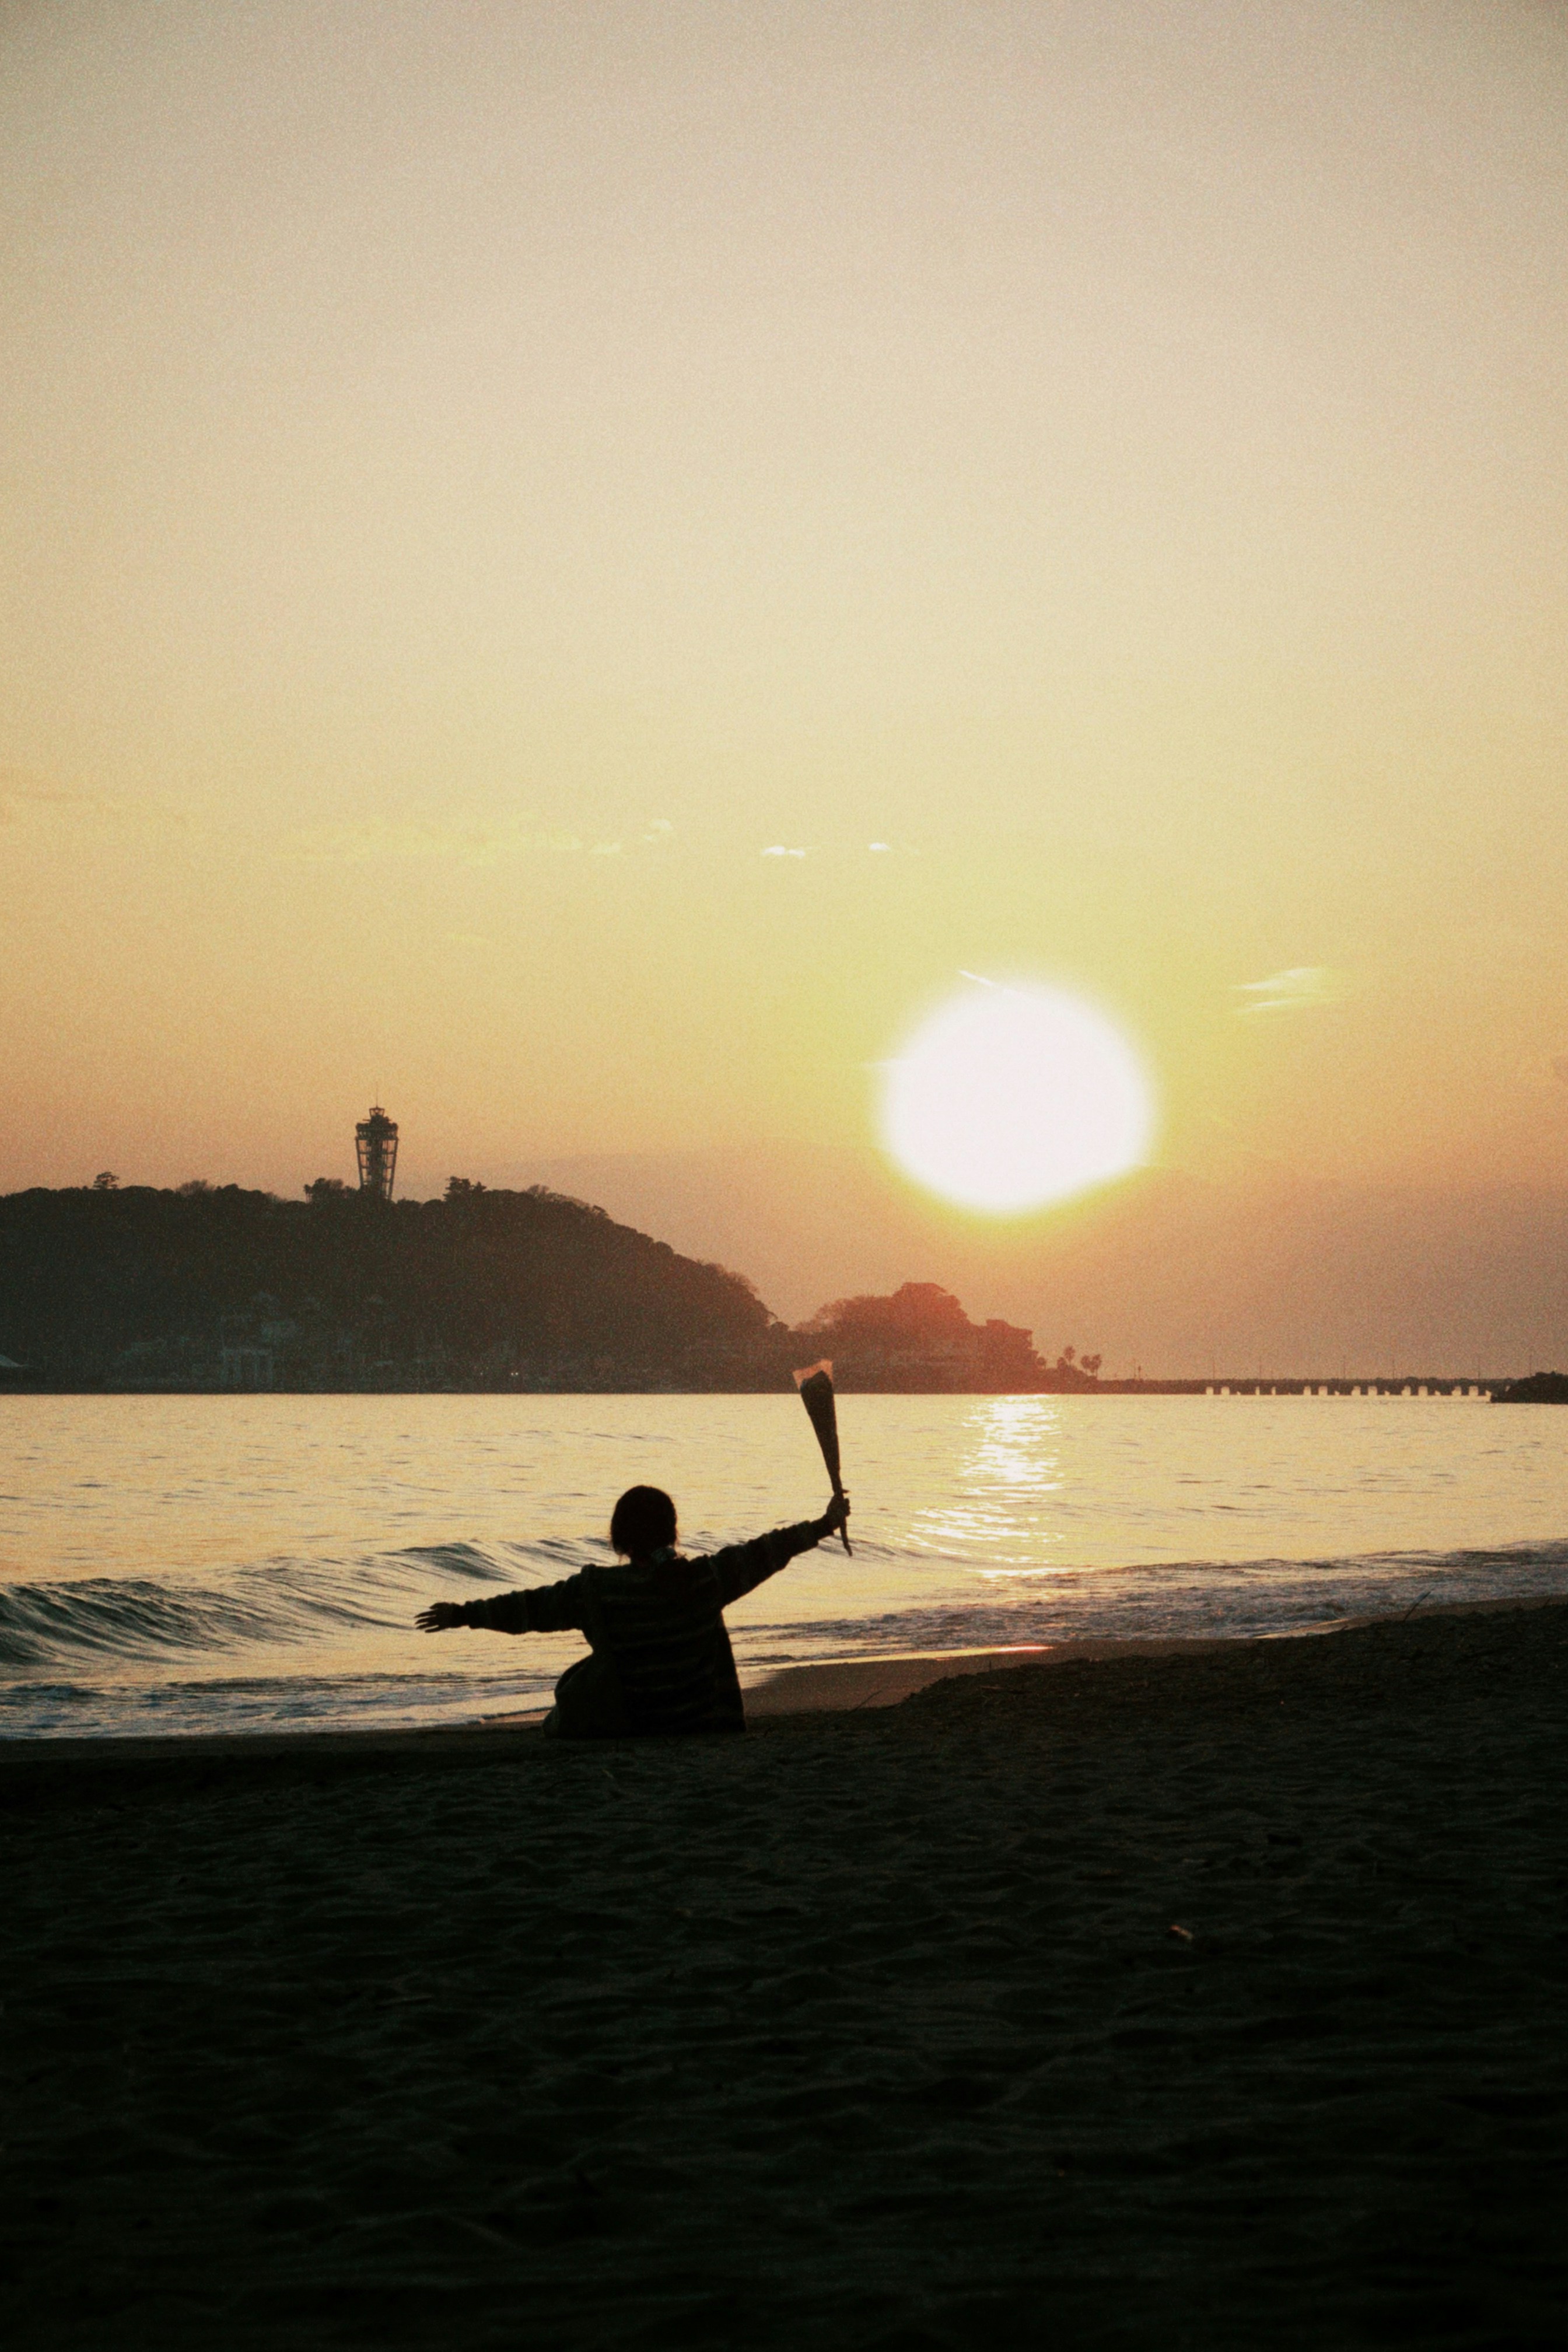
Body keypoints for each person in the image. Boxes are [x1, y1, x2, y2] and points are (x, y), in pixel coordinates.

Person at [416, 1483, 850, 1738]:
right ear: (673, 1533)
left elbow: (529, 1610)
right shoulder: (703, 1580)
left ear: (618, 1538)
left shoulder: (596, 1592)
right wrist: (825, 1524)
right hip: (699, 1723)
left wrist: (462, 1614)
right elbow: (768, 1550)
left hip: (631, 1722)